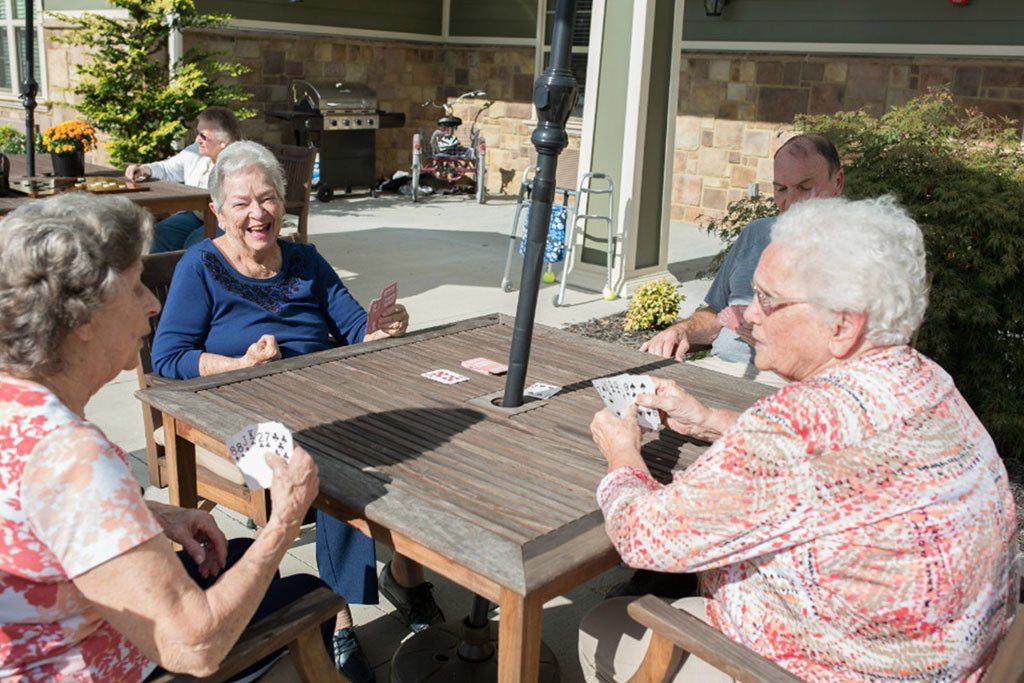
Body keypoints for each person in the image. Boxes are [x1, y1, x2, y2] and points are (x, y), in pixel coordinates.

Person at [580, 196, 1017, 682]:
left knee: (603, 623)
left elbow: (645, 538)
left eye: (768, 300)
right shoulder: (929, 384)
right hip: (931, 661)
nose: (747, 316)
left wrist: (621, 449)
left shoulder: (799, 425)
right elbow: (844, 465)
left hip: (798, 669)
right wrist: (708, 420)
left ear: (843, 325)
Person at [0, 192, 331, 682]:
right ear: (81, 318)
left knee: (236, 556)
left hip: (38, 637)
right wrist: (285, 518)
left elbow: (30, 514)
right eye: (135, 288)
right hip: (95, 666)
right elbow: (192, 647)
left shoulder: (15, 405)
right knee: (310, 595)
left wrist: (148, 513)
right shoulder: (69, 454)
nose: (152, 304)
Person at [150, 140, 442, 681]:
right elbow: (168, 358)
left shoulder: (305, 259)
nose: (257, 213)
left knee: (410, 437)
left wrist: (383, 328)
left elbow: (356, 330)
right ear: (216, 210)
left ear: (283, 205)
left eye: (268, 199)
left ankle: (404, 572)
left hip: (326, 394)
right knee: (335, 457)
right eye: (241, 203)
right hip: (242, 416)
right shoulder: (201, 266)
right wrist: (236, 364)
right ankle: (339, 621)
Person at [642, 133, 845, 386]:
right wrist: (681, 331)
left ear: (837, 182)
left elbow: (862, 361)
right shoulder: (756, 234)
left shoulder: (863, 252)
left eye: (805, 188)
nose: (790, 201)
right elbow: (715, 313)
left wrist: (779, 342)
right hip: (716, 371)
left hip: (791, 386)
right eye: (781, 188)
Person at [125, 106, 242, 253]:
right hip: (196, 215)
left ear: (224, 141)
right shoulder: (195, 152)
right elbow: (168, 168)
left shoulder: (240, 162)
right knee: (157, 235)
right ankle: (154, 275)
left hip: (226, 221)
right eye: (197, 133)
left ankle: (187, 274)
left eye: (203, 136)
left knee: (194, 244)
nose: (197, 139)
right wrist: (145, 169)